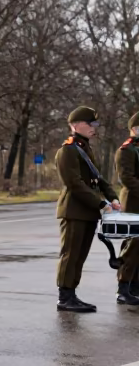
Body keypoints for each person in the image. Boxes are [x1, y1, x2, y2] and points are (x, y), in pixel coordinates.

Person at [56, 106, 120, 312]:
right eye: (90, 124)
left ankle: (72, 293)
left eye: (95, 124)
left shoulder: (85, 148)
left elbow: (98, 178)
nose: (94, 128)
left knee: (80, 255)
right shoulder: (67, 150)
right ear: (75, 126)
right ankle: (64, 297)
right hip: (74, 210)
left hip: (87, 211)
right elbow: (74, 184)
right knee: (71, 254)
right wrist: (100, 203)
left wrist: (113, 197)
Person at [114, 113, 139, 306]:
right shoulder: (127, 150)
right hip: (133, 201)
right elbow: (127, 178)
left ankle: (134, 285)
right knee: (132, 246)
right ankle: (123, 287)